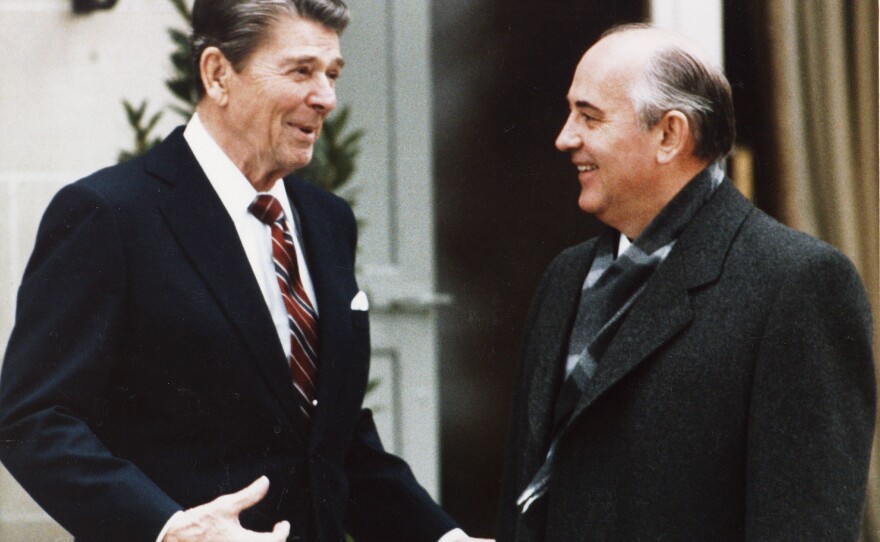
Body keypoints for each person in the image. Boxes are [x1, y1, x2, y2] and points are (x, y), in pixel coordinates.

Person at [0, 1, 492, 541]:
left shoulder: (327, 221)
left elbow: (331, 442)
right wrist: (172, 530)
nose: (325, 97)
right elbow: (35, 421)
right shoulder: (110, 214)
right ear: (217, 74)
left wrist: (447, 539)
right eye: (301, 70)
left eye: (332, 74)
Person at [497, 24, 875, 541]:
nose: (565, 137)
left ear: (670, 136)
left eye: (589, 116)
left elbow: (805, 526)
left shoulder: (796, 283)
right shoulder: (566, 277)